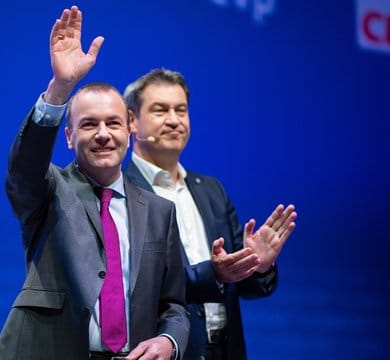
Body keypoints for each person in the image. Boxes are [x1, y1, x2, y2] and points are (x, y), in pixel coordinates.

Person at [0, 6, 189, 360]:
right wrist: (60, 88)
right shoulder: (49, 190)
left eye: (113, 123)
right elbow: (24, 167)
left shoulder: (161, 211)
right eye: (88, 125)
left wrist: (168, 342)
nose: (102, 135)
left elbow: (173, 305)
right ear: (68, 136)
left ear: (130, 128)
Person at [123, 68, 297, 360]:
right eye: (160, 110)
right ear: (131, 121)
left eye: (181, 110)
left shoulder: (211, 190)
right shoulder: (121, 193)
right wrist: (213, 273)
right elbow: (139, 284)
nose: (174, 120)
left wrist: (257, 266)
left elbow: (244, 287)